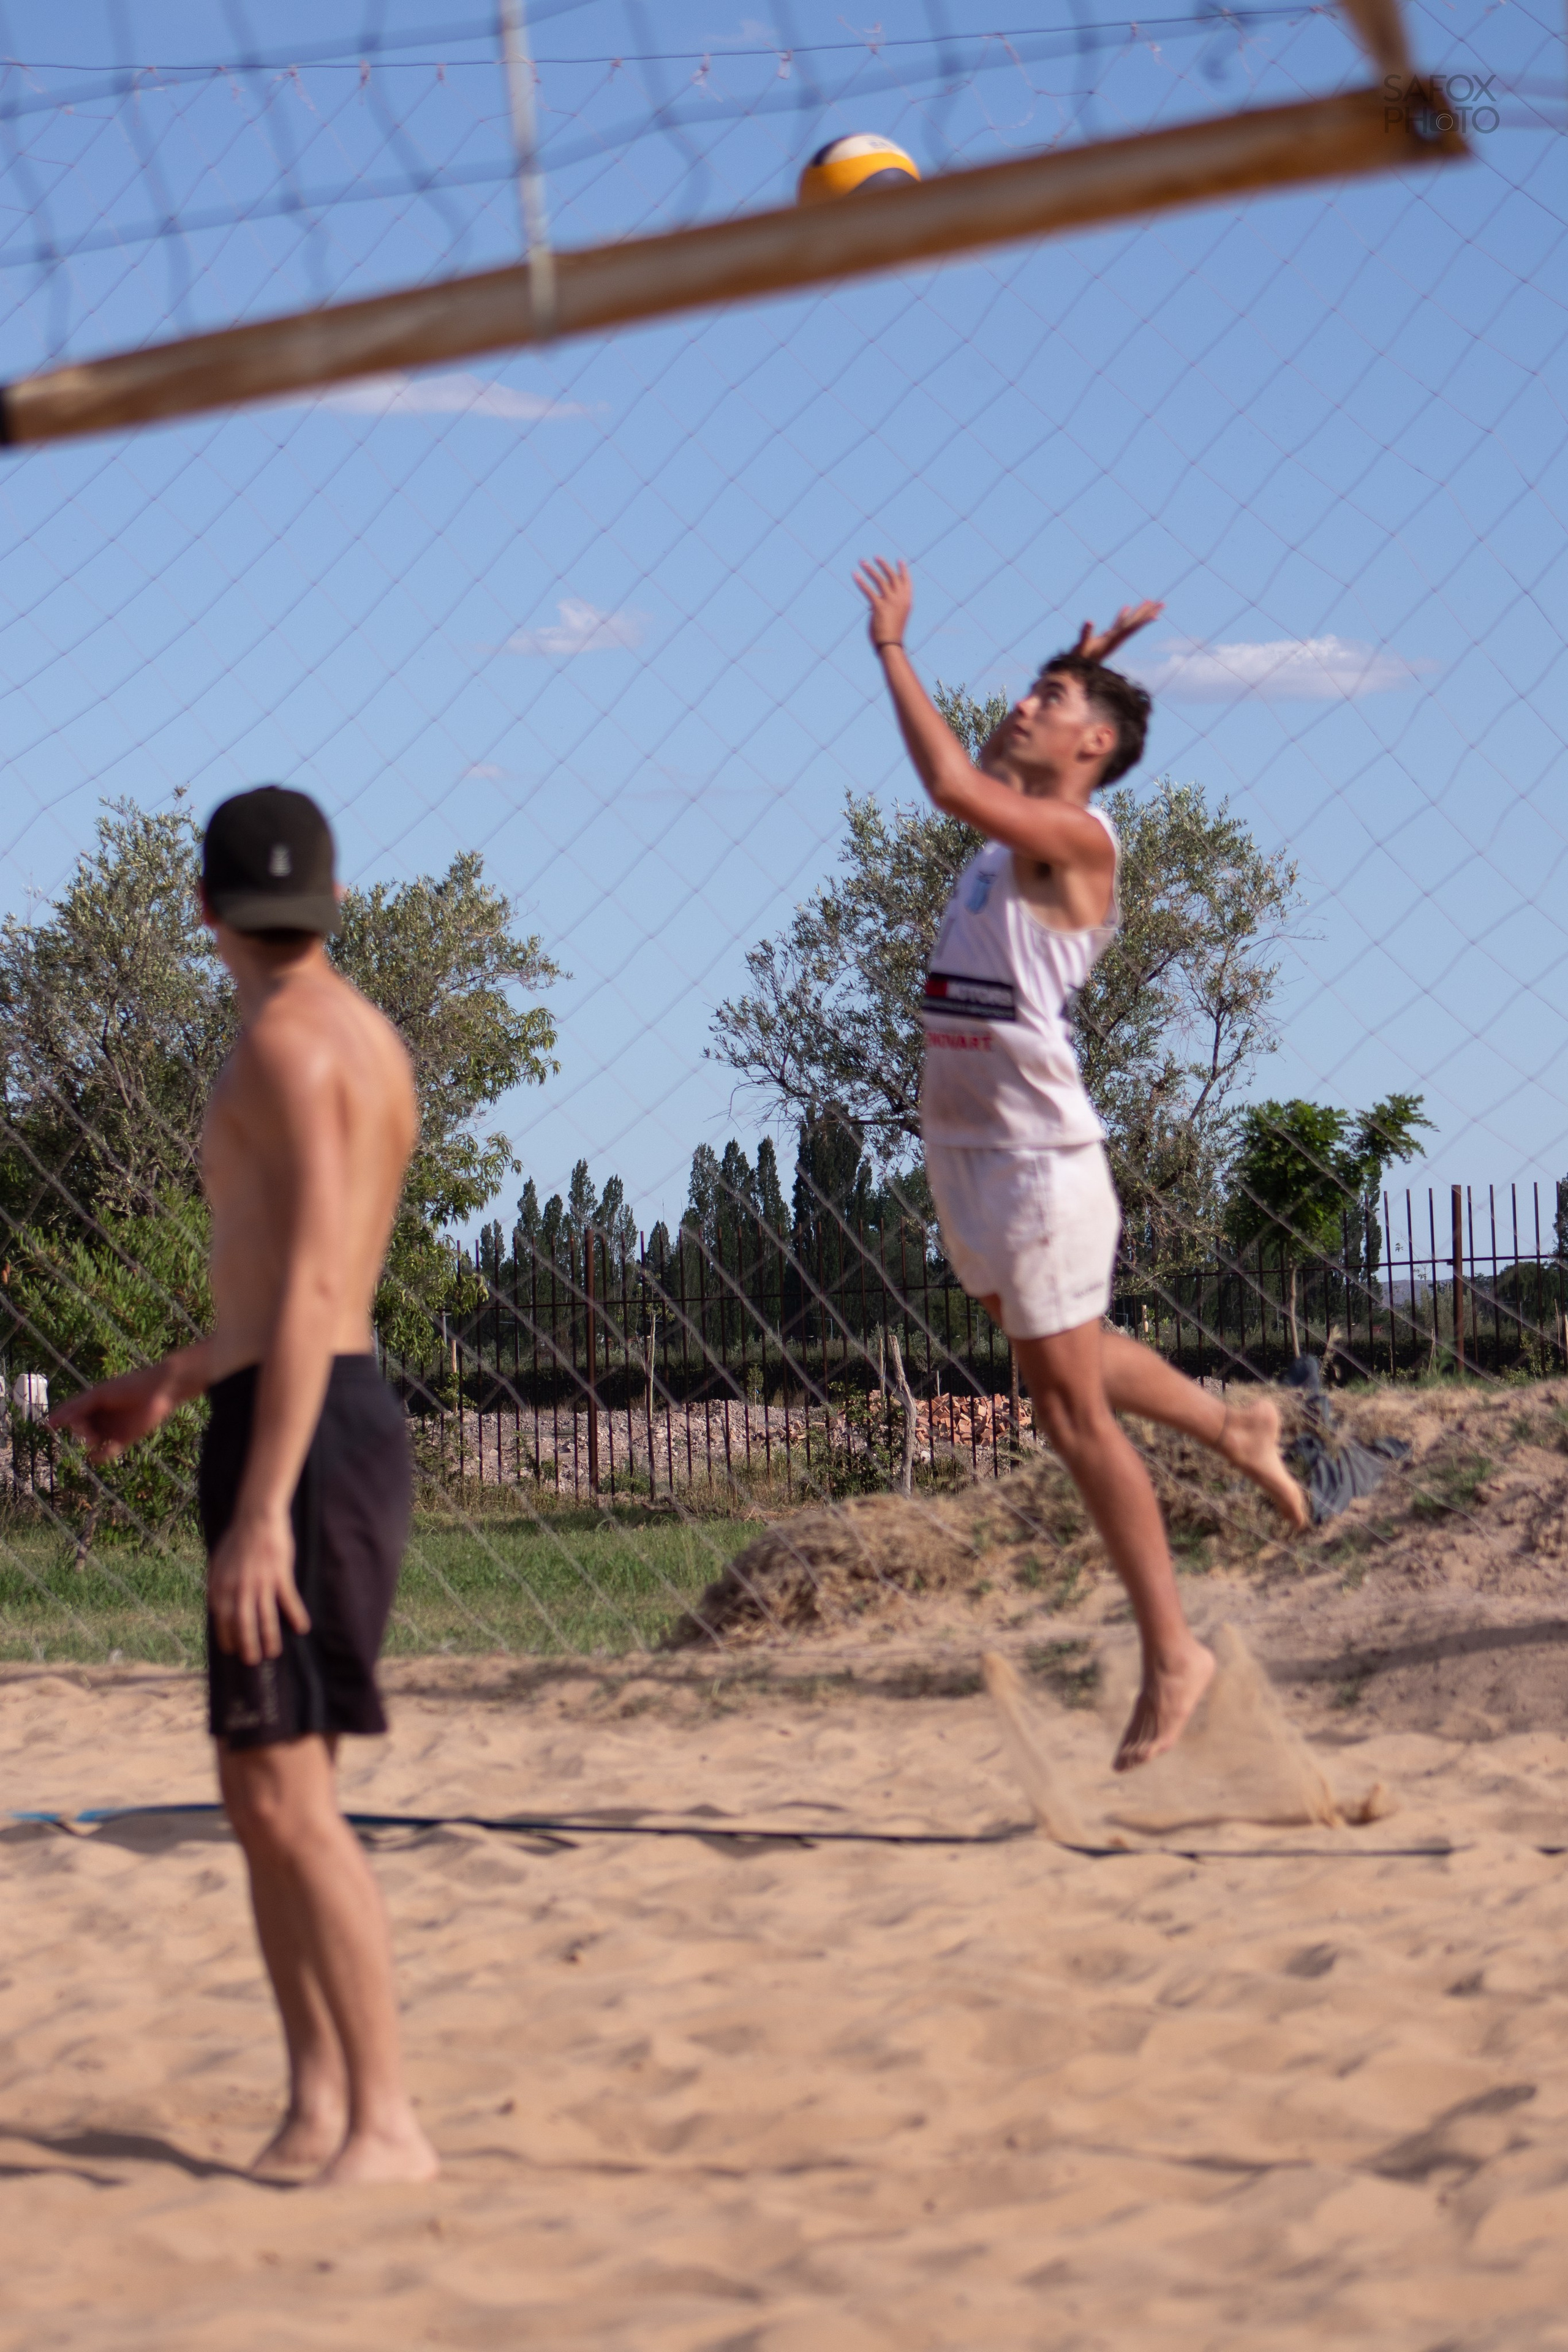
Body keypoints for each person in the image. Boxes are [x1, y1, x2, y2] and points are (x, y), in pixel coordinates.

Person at [854, 558, 1308, 1771]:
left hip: (1038, 1158)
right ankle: (1233, 1428)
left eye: (1052, 699)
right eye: (1032, 690)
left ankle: (1174, 1658)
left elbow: (954, 779)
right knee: (1065, 1355)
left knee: (1061, 1407)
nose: (1024, 703)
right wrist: (1080, 659)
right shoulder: (1032, 796)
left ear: (1094, 746)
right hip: (963, 1146)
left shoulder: (1072, 839)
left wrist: (890, 650)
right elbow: (1004, 760)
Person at [53, 785, 438, 2185]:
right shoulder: (353, 1034)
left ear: (201, 909)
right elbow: (283, 1289)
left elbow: (325, 1292)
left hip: (309, 1436)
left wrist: (265, 1504)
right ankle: (315, 2104)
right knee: (264, 1784)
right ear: (328, 903)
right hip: (293, 1406)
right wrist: (169, 1381)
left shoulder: (287, 1042)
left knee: (284, 1797)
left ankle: (384, 2121)